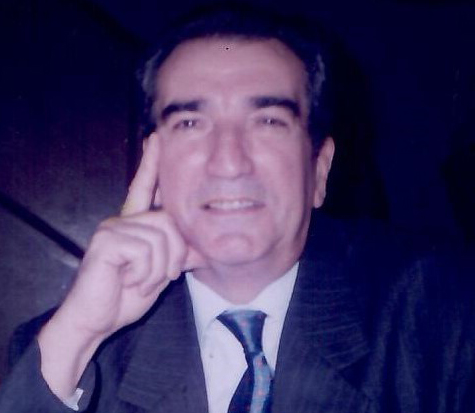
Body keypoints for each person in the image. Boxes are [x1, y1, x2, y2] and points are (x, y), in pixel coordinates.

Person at [0, 4, 474, 413]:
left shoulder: (443, 311)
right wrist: (81, 332)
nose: (228, 162)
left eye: (268, 121)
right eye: (190, 123)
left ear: (319, 170)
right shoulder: (66, 350)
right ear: (152, 165)